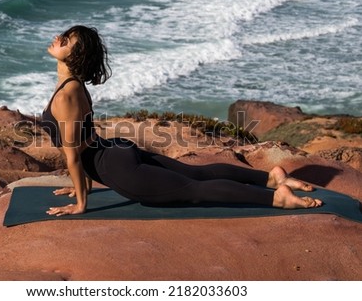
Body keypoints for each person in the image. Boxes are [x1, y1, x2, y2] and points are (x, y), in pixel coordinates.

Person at [41, 25, 322, 216]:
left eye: (66, 40)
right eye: (64, 36)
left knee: (193, 189)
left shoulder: (67, 94)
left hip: (115, 166)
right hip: (114, 151)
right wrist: (83, 183)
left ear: (75, 56)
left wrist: (81, 202)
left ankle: (276, 197)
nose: (59, 38)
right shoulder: (74, 85)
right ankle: (271, 178)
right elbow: (82, 142)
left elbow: (73, 156)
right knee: (195, 173)